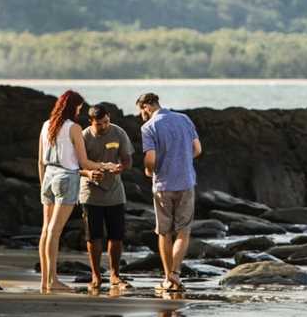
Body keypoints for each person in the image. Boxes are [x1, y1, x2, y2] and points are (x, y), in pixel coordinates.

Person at [37, 90, 116, 294]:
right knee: (55, 232)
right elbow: (83, 162)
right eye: (79, 107)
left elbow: (40, 161)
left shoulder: (47, 125)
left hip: (48, 177)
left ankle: (45, 281)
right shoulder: (74, 128)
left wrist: (42, 185)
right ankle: (53, 281)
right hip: (65, 178)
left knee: (46, 231)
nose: (80, 111)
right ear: (73, 107)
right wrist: (104, 165)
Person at [137, 92, 202, 292]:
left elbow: (150, 159)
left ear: (146, 106)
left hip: (163, 186)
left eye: (141, 111)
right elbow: (198, 149)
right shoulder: (184, 119)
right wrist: (181, 159)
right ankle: (175, 275)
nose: (142, 115)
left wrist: (149, 171)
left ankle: (167, 278)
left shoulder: (148, 127)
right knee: (183, 230)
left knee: (164, 232)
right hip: (186, 182)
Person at [79, 103, 134, 290]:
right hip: (90, 193)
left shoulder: (118, 133)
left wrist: (121, 167)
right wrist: (89, 173)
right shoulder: (83, 136)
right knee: (93, 237)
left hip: (115, 193)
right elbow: (74, 166)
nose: (104, 127)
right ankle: (96, 276)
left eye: (106, 122)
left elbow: (127, 159)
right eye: (99, 124)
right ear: (91, 122)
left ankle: (114, 275)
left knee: (116, 236)